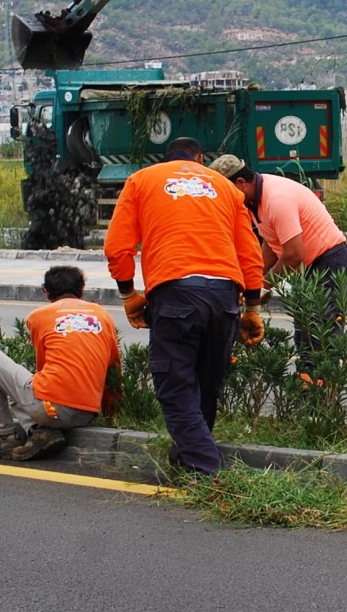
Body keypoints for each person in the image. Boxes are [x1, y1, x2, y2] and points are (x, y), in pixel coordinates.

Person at [104, 137, 266, 476]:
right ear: (200, 159)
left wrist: (128, 295)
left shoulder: (142, 180)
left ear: (167, 157)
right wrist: (252, 308)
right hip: (224, 296)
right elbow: (250, 253)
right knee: (206, 383)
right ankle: (186, 457)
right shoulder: (226, 188)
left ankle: (208, 471)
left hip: (175, 291)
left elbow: (118, 247)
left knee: (176, 386)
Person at [208, 155, 347, 381]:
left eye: (225, 192)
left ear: (240, 183)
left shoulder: (277, 199)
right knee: (304, 334)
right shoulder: (252, 201)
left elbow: (294, 255)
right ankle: (308, 396)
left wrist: (259, 288)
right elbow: (271, 242)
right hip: (309, 268)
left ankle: (324, 400)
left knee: (321, 337)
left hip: (329, 263)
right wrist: (250, 279)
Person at [0, 265, 121, 461]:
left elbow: (43, 370)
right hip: (87, 413)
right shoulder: (103, 315)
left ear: (46, 291)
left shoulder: (38, 316)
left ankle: (6, 437)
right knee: (20, 388)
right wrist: (112, 417)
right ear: (82, 288)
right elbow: (114, 369)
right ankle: (41, 433)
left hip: (51, 410)